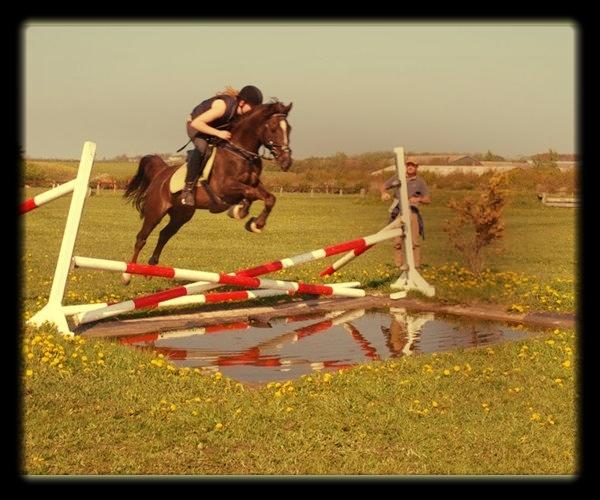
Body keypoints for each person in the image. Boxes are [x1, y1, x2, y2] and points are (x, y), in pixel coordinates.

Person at [180, 85, 264, 206]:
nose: (254, 110)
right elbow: (196, 123)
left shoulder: (240, 114)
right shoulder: (222, 106)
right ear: (242, 102)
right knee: (203, 148)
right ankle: (187, 189)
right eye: (252, 106)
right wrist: (218, 133)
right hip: (197, 126)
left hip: (214, 128)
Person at [380, 161, 430, 269]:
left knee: (414, 242)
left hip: (412, 212)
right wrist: (384, 193)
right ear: (406, 166)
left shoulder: (420, 182)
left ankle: (415, 266)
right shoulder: (398, 177)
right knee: (397, 241)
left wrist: (418, 199)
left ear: (417, 167)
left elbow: (427, 199)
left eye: (413, 165)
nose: (410, 167)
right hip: (398, 212)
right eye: (409, 165)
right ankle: (399, 265)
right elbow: (384, 186)